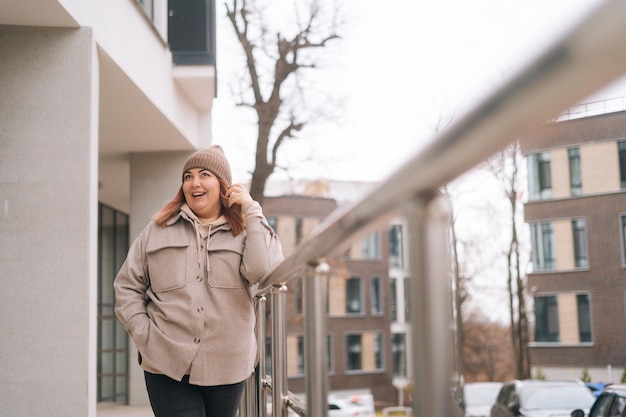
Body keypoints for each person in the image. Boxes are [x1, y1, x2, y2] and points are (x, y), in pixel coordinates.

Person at [114, 145, 284, 417]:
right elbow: (127, 286)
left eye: (204, 174)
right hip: (166, 361)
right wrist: (144, 333)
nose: (195, 182)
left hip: (228, 363)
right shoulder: (157, 230)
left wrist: (252, 210)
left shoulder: (245, 231)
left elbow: (262, 271)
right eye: (188, 176)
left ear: (223, 185)